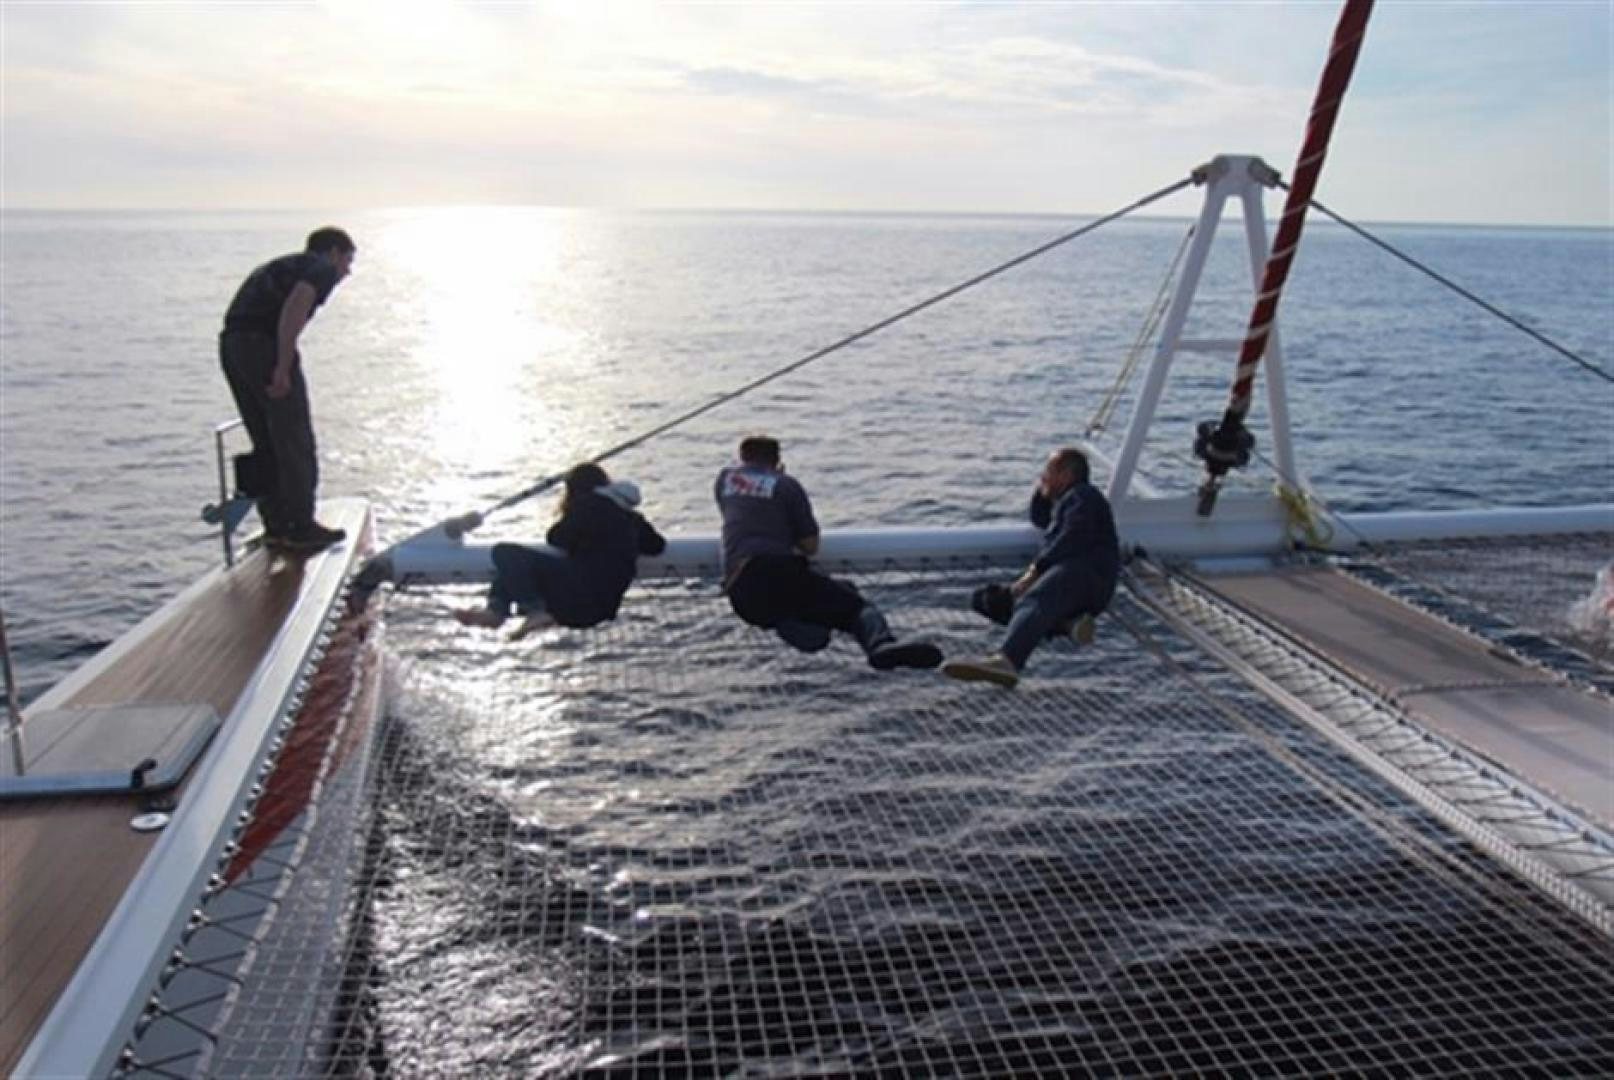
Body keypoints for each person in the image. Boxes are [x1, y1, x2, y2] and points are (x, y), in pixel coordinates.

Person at [715, 435, 942, 671]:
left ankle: (806, 631)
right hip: (778, 574)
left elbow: (741, 515)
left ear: (741, 457)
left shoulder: (724, 479)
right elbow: (810, 545)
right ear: (777, 460)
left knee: (819, 601)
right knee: (857, 608)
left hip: (742, 593)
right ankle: (880, 645)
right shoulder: (786, 485)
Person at [219, 227, 356, 552]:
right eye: (347, 261)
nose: (346, 272)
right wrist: (282, 366)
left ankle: (277, 524)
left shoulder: (279, 266)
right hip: (262, 346)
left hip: (232, 346)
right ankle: (300, 526)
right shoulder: (319, 268)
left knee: (266, 440)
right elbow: (295, 308)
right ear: (333, 252)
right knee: (294, 439)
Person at [943, 447, 1120, 689]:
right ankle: (1071, 625)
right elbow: (1040, 518)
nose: (1042, 476)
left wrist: (1035, 572)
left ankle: (1008, 661)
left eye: (1048, 471)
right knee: (993, 602)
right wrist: (1044, 488)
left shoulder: (1084, 495)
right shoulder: (1066, 503)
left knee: (1032, 600)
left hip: (1085, 574)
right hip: (1080, 586)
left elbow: (1073, 536)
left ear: (1067, 475)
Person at [455, 462, 666, 637]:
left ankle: (529, 610)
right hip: (600, 608)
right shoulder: (631, 518)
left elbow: (556, 538)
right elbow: (656, 546)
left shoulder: (587, 505)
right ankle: (496, 611)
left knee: (505, 554)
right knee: (514, 566)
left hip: (575, 598)